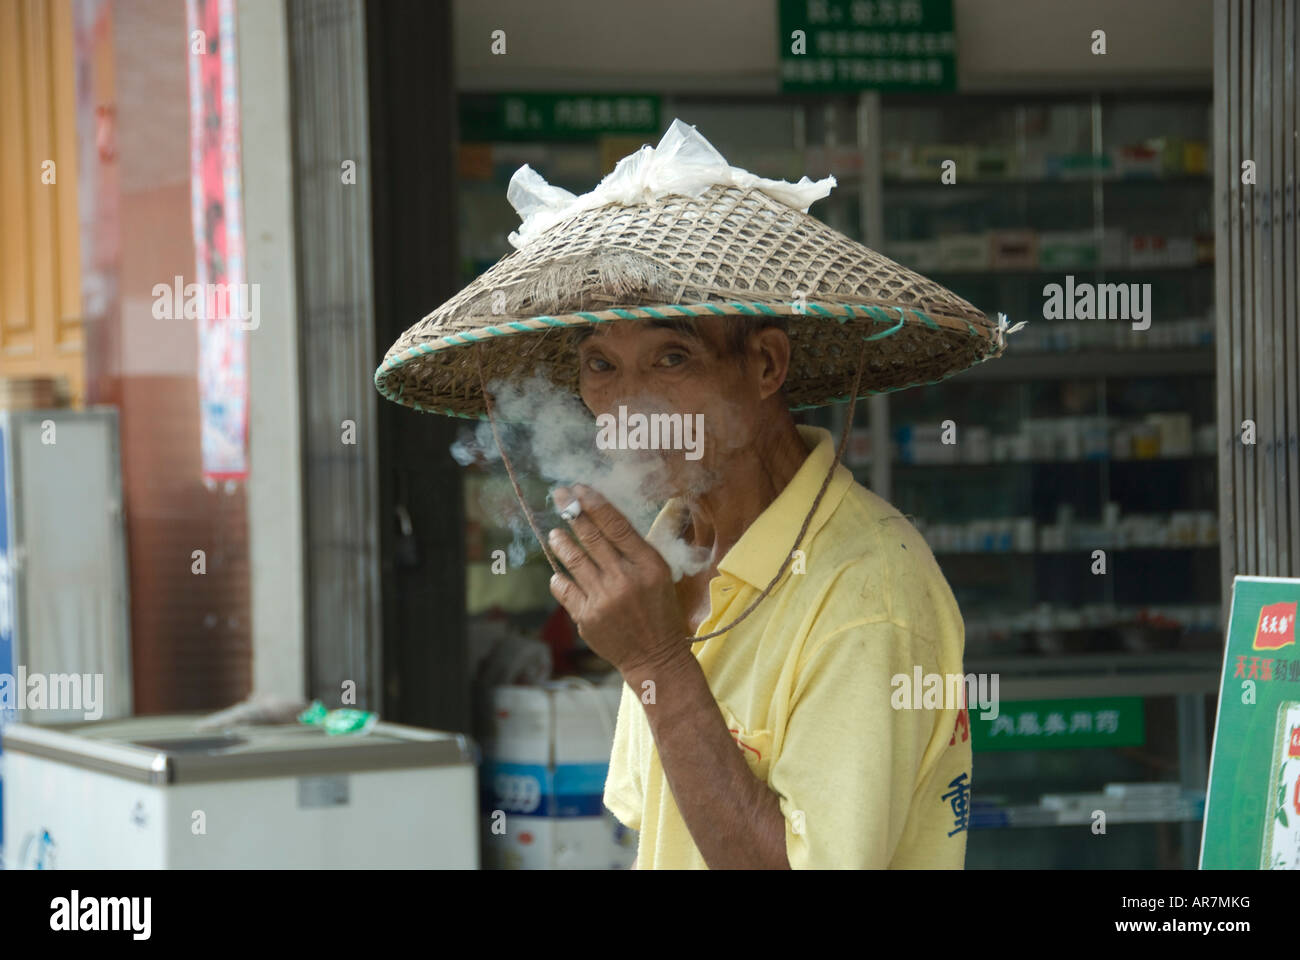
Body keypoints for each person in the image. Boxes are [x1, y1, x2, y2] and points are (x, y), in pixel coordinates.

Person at [374, 119, 1022, 868]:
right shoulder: (673, 543)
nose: (627, 408)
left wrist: (655, 660)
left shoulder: (866, 588)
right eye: (600, 365)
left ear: (766, 366)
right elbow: (658, 830)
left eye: (671, 357)